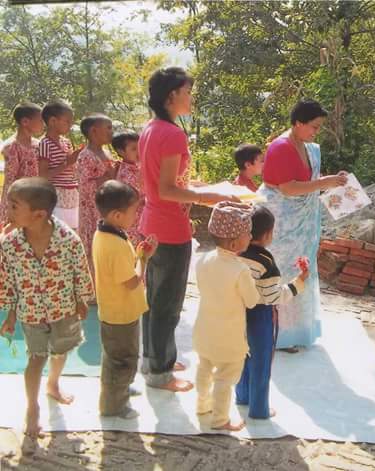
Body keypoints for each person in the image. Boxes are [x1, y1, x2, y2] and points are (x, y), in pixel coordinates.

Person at [139, 67, 228, 392]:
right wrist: (207, 197)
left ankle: (154, 359)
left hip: (152, 224)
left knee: (153, 299)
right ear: (171, 96)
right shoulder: (173, 134)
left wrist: (202, 187)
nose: (191, 97)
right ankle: (160, 372)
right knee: (167, 303)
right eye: (188, 92)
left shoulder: (151, 128)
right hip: (169, 228)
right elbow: (166, 189)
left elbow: (165, 181)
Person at [0, 178, 94, 438]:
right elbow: (7, 281)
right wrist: (10, 314)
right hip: (30, 313)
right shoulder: (9, 245)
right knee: (36, 357)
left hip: (64, 309)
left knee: (61, 350)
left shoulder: (68, 240)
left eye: (14, 206)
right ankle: (32, 408)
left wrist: (82, 299)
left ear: (39, 214)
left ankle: (53, 384)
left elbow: (80, 270)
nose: (8, 209)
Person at [258, 99, 347, 350]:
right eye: (314, 127)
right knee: (282, 272)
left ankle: (296, 330)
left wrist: (335, 181)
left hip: (301, 224)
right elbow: (287, 188)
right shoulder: (280, 147)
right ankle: (276, 332)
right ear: (298, 123)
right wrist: (325, 183)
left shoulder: (307, 147)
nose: (316, 132)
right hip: (281, 223)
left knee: (300, 271)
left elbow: (308, 180)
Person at [236, 205, 309, 419]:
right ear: (268, 234)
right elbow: (274, 296)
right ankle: (259, 409)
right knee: (261, 361)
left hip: (238, 312)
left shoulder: (236, 254)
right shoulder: (266, 262)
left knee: (241, 355)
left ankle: (242, 396)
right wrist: (299, 282)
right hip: (260, 315)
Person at [93, 180, 157, 418]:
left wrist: (138, 254)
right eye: (133, 211)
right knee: (122, 360)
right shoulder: (114, 245)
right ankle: (114, 405)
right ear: (117, 215)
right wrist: (144, 260)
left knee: (116, 357)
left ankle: (120, 389)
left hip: (117, 310)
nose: (136, 215)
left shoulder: (106, 233)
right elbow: (131, 281)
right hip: (120, 315)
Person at [193, 202, 257, 431]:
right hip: (229, 337)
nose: (251, 237)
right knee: (225, 378)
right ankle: (221, 419)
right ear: (233, 243)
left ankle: (202, 406)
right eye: (247, 233)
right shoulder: (240, 270)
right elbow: (252, 300)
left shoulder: (202, 259)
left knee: (204, 369)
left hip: (204, 330)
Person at [78, 114, 116, 279]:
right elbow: (85, 186)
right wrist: (107, 176)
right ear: (93, 131)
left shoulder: (106, 153)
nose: (111, 132)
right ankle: (93, 286)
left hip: (106, 209)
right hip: (91, 212)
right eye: (108, 128)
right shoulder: (85, 156)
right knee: (93, 249)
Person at [38, 100, 82, 230]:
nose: (70, 125)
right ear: (52, 121)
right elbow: (42, 176)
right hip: (57, 195)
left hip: (71, 194)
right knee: (58, 231)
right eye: (67, 121)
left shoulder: (66, 142)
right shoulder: (45, 144)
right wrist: (67, 163)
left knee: (73, 231)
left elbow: (71, 168)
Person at [0, 102, 44, 226]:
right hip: (17, 202)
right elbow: (11, 181)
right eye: (40, 120)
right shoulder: (12, 147)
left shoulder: (38, 145)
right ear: (25, 122)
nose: (43, 124)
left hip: (34, 200)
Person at [112, 131, 144, 245]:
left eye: (140, 146)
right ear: (121, 152)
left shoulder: (135, 167)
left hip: (139, 220)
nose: (139, 151)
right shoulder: (126, 175)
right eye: (134, 149)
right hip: (132, 223)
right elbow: (131, 201)